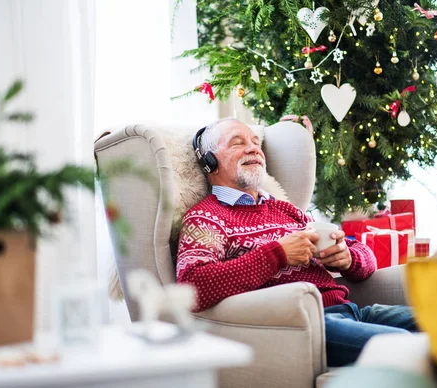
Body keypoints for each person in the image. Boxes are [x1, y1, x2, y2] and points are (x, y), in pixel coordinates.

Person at [176, 118, 417, 366]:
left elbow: (365, 256)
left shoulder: (286, 210)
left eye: (256, 143)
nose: (253, 149)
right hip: (304, 326)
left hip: (353, 311)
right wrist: (278, 254)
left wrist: (347, 257)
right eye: (237, 143)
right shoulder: (205, 218)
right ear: (210, 163)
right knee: (405, 346)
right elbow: (191, 286)